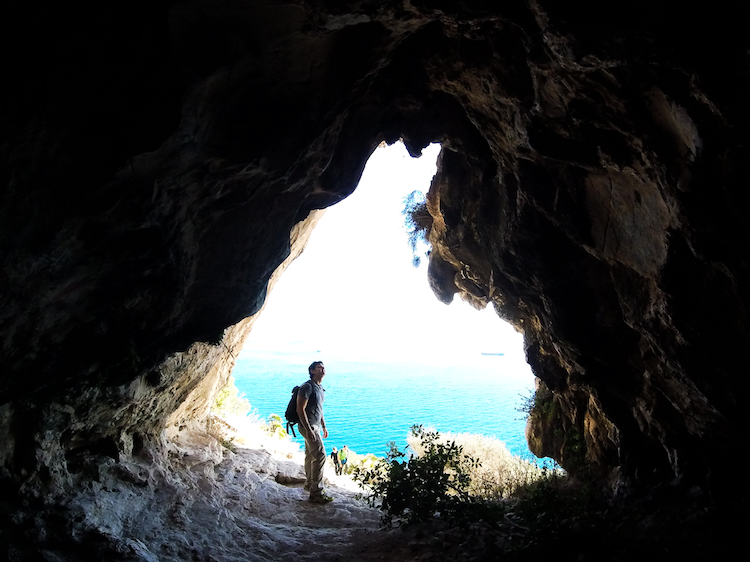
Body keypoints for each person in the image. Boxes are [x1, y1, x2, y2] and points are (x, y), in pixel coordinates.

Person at [296, 361, 333, 503]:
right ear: (312, 371)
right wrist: (308, 429)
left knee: (311, 455)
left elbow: (319, 409)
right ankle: (316, 493)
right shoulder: (307, 387)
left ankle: (310, 484)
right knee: (320, 454)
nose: (323, 369)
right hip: (308, 426)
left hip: (315, 426)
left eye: (323, 367)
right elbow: (300, 409)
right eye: (319, 367)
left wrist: (324, 426)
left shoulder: (320, 388)